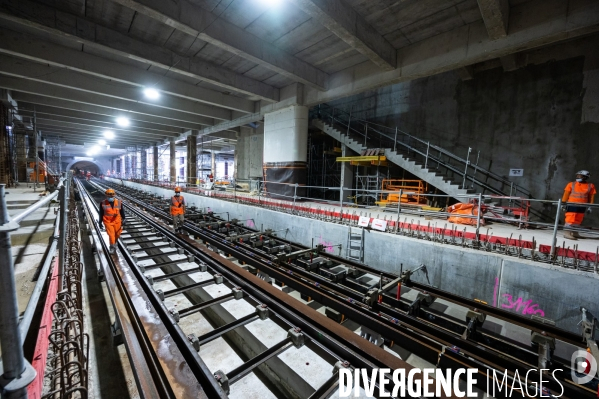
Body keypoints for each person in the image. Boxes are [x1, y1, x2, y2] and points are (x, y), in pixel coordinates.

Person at [562, 170, 595, 240]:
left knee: (578, 219)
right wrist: (563, 203)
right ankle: (567, 233)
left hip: (582, 206)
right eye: (577, 175)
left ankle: (575, 233)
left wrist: (590, 206)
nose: (578, 177)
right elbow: (566, 194)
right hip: (572, 205)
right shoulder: (571, 184)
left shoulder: (590, 186)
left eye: (580, 176)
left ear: (585, 177)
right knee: (570, 219)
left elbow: (591, 197)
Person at [99, 188, 125, 253]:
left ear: (114, 195)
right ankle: (112, 248)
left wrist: (124, 219)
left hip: (117, 221)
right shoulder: (103, 203)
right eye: (109, 196)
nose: (110, 197)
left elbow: (122, 211)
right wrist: (100, 222)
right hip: (108, 222)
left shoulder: (119, 202)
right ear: (106, 195)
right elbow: (101, 213)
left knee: (117, 234)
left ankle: (114, 243)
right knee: (111, 235)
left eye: (112, 196)